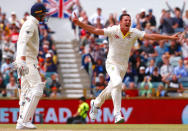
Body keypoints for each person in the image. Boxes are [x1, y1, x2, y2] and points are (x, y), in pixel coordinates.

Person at [72, 13, 181, 124]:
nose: (128, 22)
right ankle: (117, 114)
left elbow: (151, 36)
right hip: (111, 64)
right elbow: (95, 30)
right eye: (125, 20)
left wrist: (169, 37)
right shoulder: (113, 30)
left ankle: (96, 103)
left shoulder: (133, 32)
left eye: (129, 20)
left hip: (123, 67)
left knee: (113, 86)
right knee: (118, 83)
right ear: (120, 22)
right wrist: (79, 23)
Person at [15, 3, 48, 129]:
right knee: (38, 88)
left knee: (25, 93)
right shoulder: (30, 24)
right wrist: (23, 60)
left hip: (26, 60)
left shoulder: (32, 23)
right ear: (38, 13)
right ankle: (25, 120)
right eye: (43, 13)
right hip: (27, 60)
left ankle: (20, 122)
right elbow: (23, 42)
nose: (45, 16)